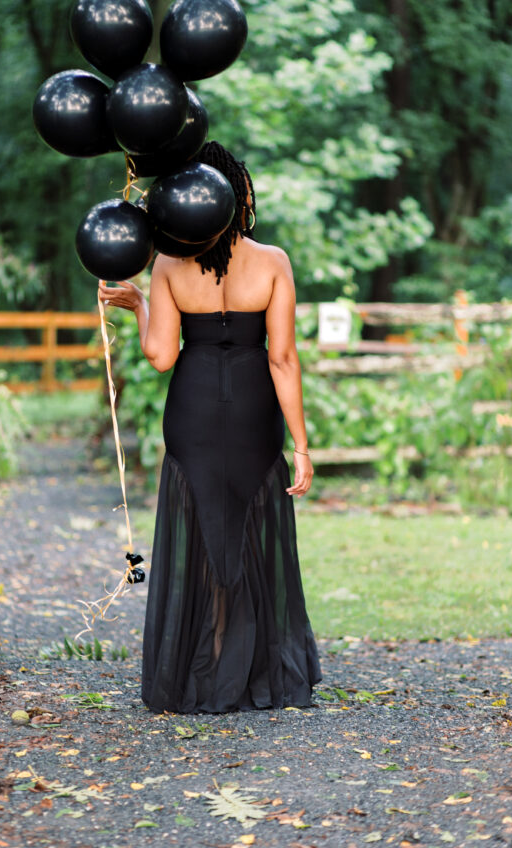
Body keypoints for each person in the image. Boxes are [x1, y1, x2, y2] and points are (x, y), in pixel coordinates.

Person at [98, 141, 322, 713]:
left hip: (193, 409)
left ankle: (202, 667)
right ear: (236, 195)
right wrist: (301, 445)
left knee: (201, 525)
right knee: (249, 522)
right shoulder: (272, 262)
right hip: (253, 410)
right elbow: (283, 360)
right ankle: (255, 673)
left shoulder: (169, 265)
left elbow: (161, 357)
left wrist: (141, 306)